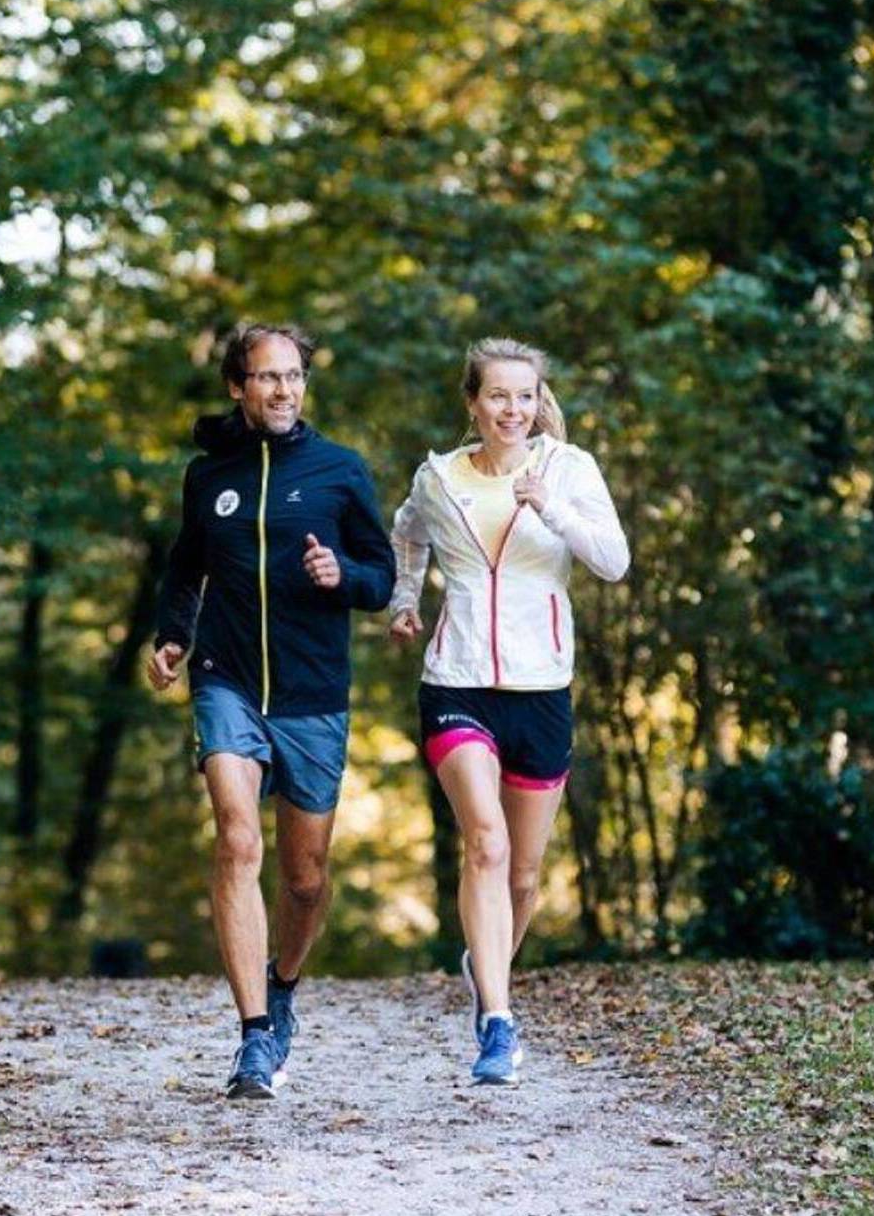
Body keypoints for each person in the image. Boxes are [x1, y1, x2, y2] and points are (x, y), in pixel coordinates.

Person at [149, 322, 395, 1099]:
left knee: (306, 878)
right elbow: (186, 568)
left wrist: (341, 574)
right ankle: (255, 1038)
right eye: (266, 378)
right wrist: (171, 637)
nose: (283, 391)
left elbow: (383, 578)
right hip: (226, 679)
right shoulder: (207, 475)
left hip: (313, 692)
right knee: (235, 834)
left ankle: (282, 982)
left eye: (293, 377)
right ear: (237, 386)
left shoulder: (339, 471)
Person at [389, 338, 629, 1085]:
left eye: (524, 397)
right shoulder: (439, 479)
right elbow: (407, 534)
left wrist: (550, 508)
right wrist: (405, 599)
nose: (512, 411)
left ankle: (484, 960)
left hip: (542, 688)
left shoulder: (568, 469)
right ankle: (497, 1022)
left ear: (538, 401)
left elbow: (613, 561)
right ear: (473, 402)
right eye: (498, 396)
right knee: (485, 845)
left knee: (523, 876)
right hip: (457, 683)